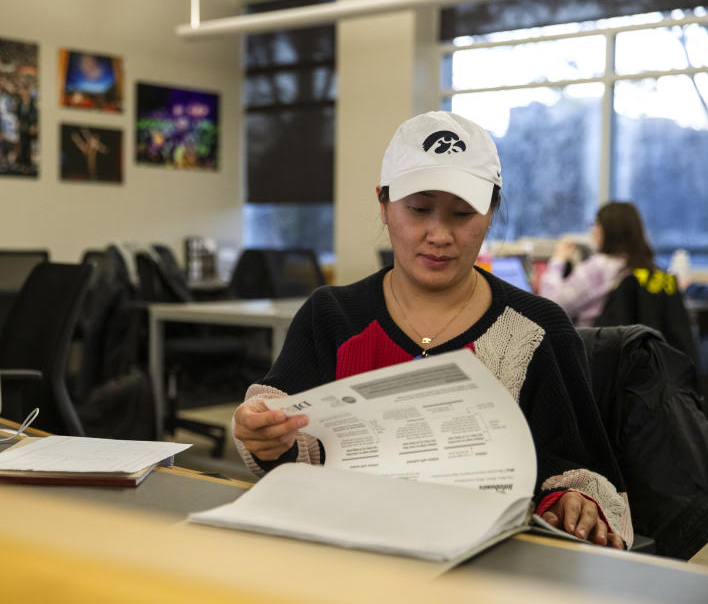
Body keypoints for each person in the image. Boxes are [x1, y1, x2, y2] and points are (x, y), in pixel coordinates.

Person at [232, 111, 631, 550]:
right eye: (419, 210)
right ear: (383, 204)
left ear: (492, 213)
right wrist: (265, 433)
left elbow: (583, 472)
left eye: (462, 214)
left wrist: (575, 500)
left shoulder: (537, 331)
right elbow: (288, 431)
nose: (439, 235)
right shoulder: (331, 315)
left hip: (486, 565)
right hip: (344, 552)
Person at [538, 202, 653, 327]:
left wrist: (558, 260)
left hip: (595, 344)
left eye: (596, 224)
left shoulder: (598, 268)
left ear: (607, 230)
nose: (593, 231)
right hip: (634, 344)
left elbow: (549, 308)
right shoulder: (647, 267)